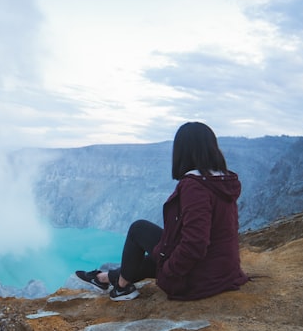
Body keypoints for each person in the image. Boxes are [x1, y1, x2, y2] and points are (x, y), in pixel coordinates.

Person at [75, 122, 249, 301]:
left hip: (202, 279)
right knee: (158, 253)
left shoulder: (195, 186)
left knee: (139, 228)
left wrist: (169, 273)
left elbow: (195, 243)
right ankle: (103, 278)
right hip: (224, 271)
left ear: (183, 151)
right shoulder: (223, 180)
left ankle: (120, 287)